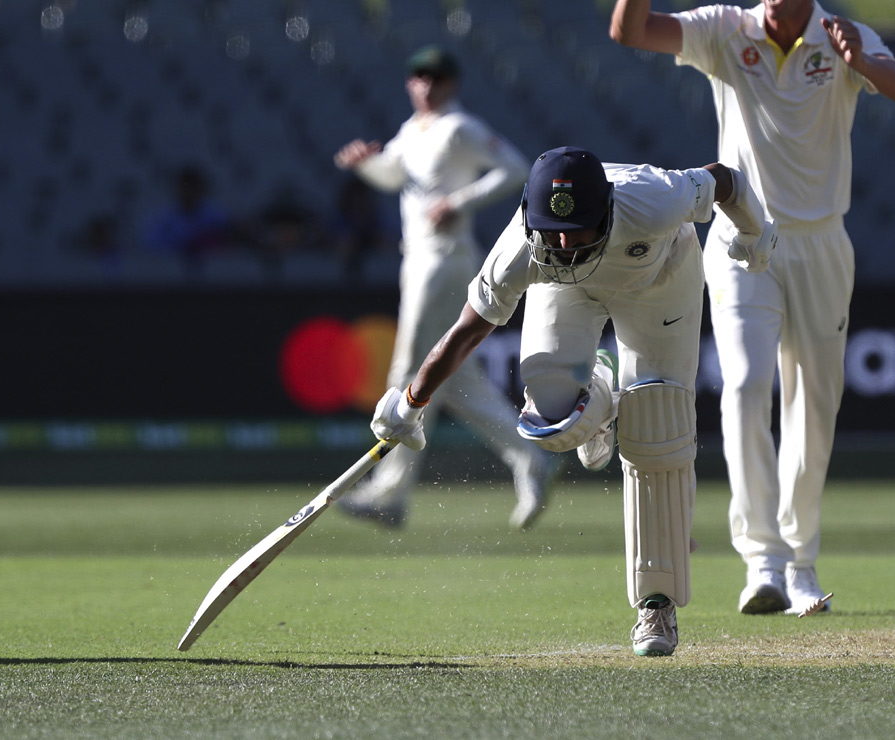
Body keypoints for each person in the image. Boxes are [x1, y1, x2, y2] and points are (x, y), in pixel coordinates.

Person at [610, 0, 895, 616]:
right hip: (745, 238)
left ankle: (801, 560)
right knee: (746, 385)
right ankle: (762, 563)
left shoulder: (844, 35)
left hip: (822, 243)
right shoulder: (727, 29)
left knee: (814, 404)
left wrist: (859, 62)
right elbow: (632, 32)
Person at [364, 145, 777, 655]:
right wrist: (410, 402)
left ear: (605, 209)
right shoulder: (525, 243)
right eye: (551, 231)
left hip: (661, 280)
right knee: (552, 426)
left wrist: (753, 232)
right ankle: (599, 383)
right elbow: (467, 331)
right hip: (565, 292)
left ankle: (656, 608)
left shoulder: (653, 199)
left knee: (657, 425)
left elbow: (725, 179)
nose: (563, 241)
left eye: (577, 227)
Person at [333, 45, 553, 531]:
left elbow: (515, 170)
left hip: (445, 260)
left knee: (410, 369)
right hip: (419, 261)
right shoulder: (412, 131)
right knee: (455, 380)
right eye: (418, 77)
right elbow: (394, 175)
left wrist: (459, 200)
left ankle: (390, 492)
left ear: (451, 83)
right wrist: (365, 163)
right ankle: (529, 457)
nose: (426, 85)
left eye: (435, 77)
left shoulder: (460, 127)